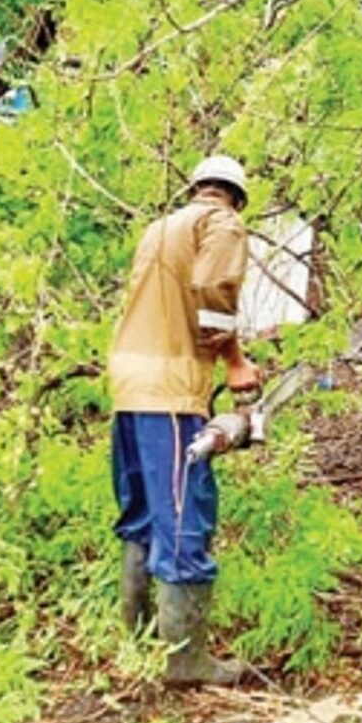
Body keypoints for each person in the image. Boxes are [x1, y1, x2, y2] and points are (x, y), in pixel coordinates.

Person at [107, 155, 260, 686]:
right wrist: (237, 362)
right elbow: (214, 297)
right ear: (235, 197)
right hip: (169, 393)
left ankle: (140, 637)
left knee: (144, 513)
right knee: (183, 516)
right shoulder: (222, 223)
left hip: (129, 386)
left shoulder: (160, 228)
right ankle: (185, 661)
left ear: (196, 187)